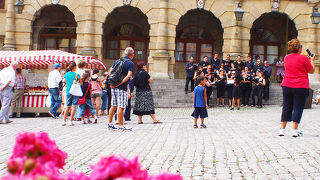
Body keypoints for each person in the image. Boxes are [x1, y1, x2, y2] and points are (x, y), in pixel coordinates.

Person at [278, 39, 315, 137]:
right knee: (298, 107)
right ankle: (294, 130)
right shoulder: (304, 58)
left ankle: (282, 129)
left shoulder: (286, 57)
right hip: (300, 85)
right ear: (299, 48)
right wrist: (312, 61)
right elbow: (311, 71)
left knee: (286, 107)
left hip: (287, 84)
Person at [108, 47, 135, 130]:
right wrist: (120, 83)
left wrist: (113, 83)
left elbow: (110, 72)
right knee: (121, 106)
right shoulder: (130, 63)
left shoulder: (118, 60)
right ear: (132, 54)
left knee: (113, 105)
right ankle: (120, 125)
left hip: (113, 86)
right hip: (121, 88)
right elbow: (129, 75)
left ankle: (110, 123)